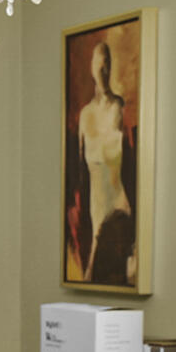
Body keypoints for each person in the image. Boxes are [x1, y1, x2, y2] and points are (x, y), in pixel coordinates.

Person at [66, 39, 137, 285]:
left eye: (108, 62)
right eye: (99, 62)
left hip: (118, 203)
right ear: (91, 67)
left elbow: (130, 161)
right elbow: (78, 172)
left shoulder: (119, 108)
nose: (103, 68)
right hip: (95, 204)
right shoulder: (85, 115)